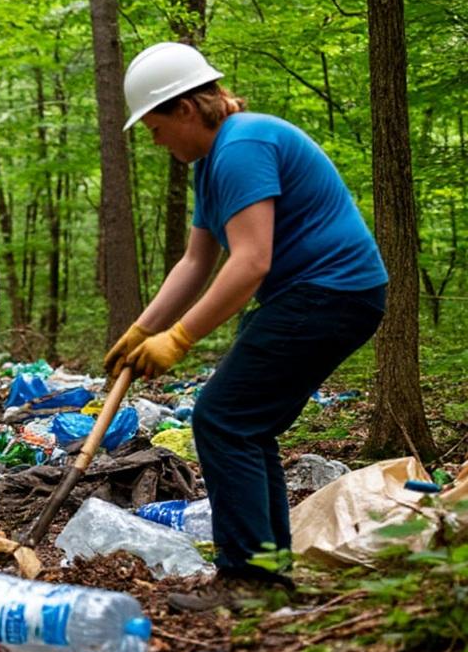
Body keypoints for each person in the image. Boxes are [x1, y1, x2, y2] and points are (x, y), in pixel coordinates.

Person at [107, 42, 388, 610]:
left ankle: (249, 582)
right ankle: (267, 576)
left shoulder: (242, 146)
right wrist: (142, 329)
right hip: (313, 295)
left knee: (222, 418)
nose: (155, 141)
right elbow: (196, 261)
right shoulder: (210, 166)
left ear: (187, 109)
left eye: (156, 127)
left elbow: (251, 261)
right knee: (246, 426)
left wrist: (179, 338)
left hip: (330, 292)